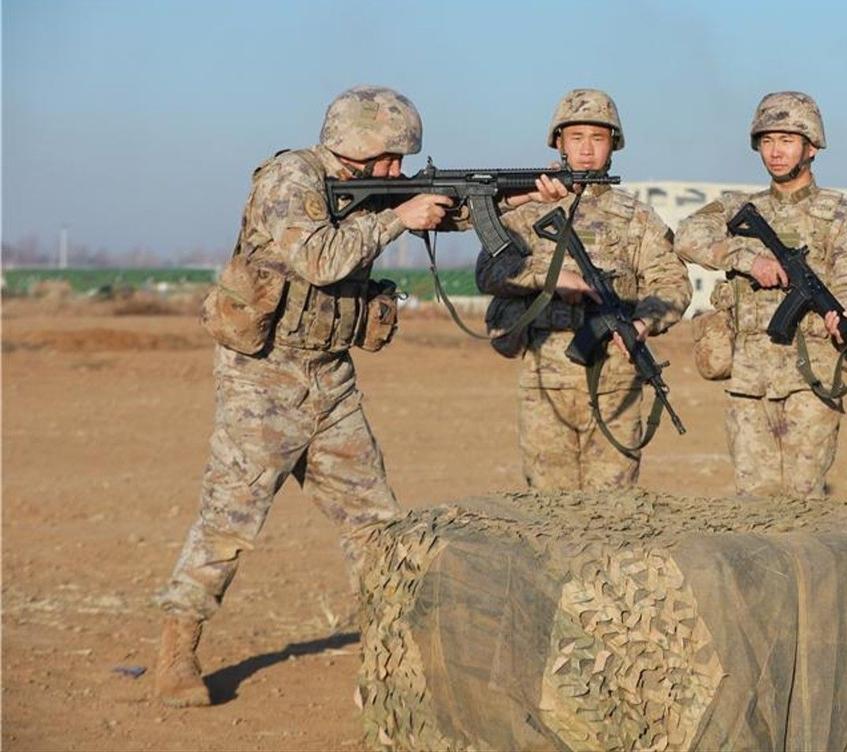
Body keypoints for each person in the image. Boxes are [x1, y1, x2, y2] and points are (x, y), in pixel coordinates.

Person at [153, 85, 558, 707]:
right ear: (354, 145)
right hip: (263, 377)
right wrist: (399, 216)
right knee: (229, 519)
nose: (395, 173)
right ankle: (176, 651)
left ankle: (393, 651)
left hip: (331, 377)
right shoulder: (291, 178)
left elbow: (442, 213)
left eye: (401, 162)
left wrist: (521, 194)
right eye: (388, 159)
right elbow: (318, 257)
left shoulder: (369, 187)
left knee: (375, 523)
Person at [476, 89, 690, 491]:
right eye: (576, 137)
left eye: (598, 138)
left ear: (613, 145)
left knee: (613, 510)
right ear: (559, 142)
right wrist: (551, 277)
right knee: (549, 509)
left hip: (616, 380)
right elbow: (489, 272)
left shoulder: (636, 217)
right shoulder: (527, 211)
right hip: (546, 382)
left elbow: (673, 282)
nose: (587, 150)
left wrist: (644, 322)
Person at [673, 91, 847, 498]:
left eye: (786, 140)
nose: (775, 151)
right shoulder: (738, 207)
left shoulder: (838, 212)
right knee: (753, 502)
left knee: (804, 500)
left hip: (810, 379)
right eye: (767, 141)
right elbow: (687, 236)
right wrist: (748, 259)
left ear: (811, 147)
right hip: (749, 379)